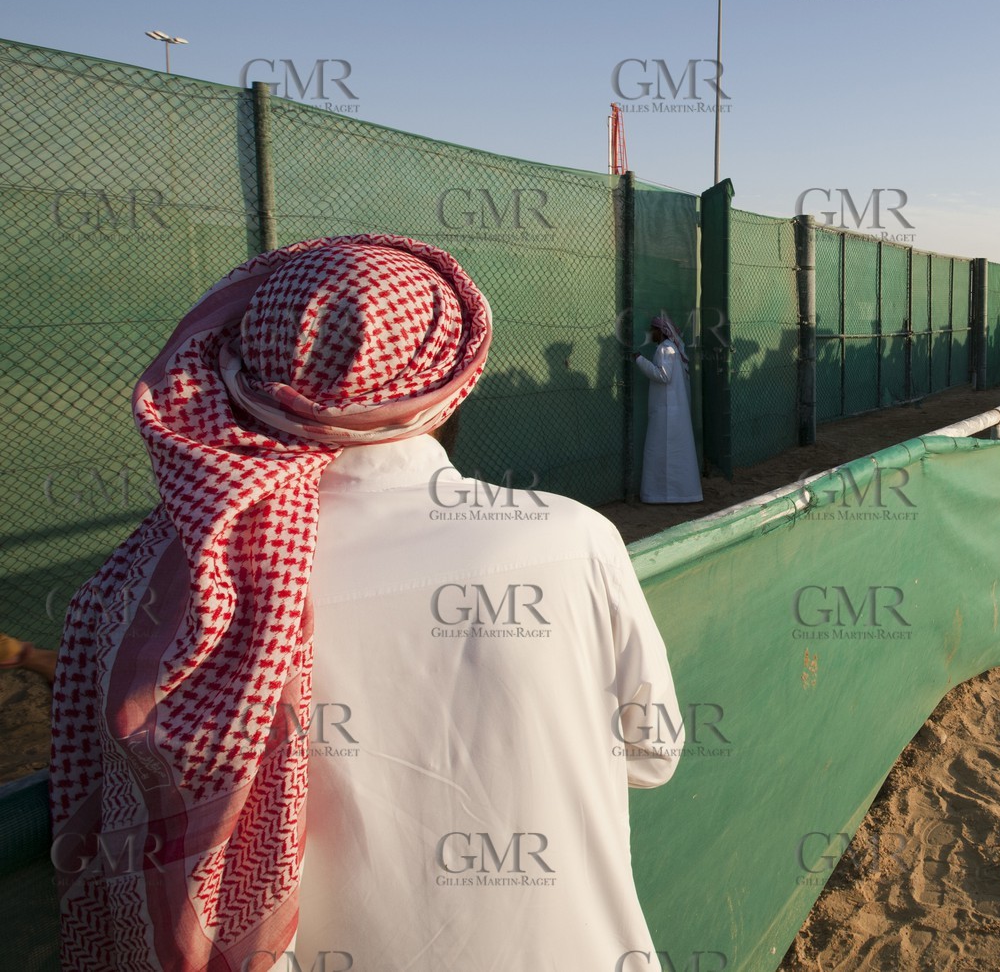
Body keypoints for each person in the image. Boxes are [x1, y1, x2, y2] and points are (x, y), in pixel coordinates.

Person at [49, 235, 682, 971]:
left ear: (250, 379)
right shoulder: (576, 539)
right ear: (452, 380)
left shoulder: (182, 589)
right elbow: (654, 754)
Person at [632, 312, 703, 503]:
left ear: (661, 331)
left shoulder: (666, 349)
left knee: (660, 450)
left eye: (653, 330)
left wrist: (639, 360)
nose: (650, 333)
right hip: (670, 411)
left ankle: (660, 495)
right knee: (670, 452)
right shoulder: (671, 348)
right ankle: (678, 494)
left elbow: (663, 375)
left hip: (666, 412)